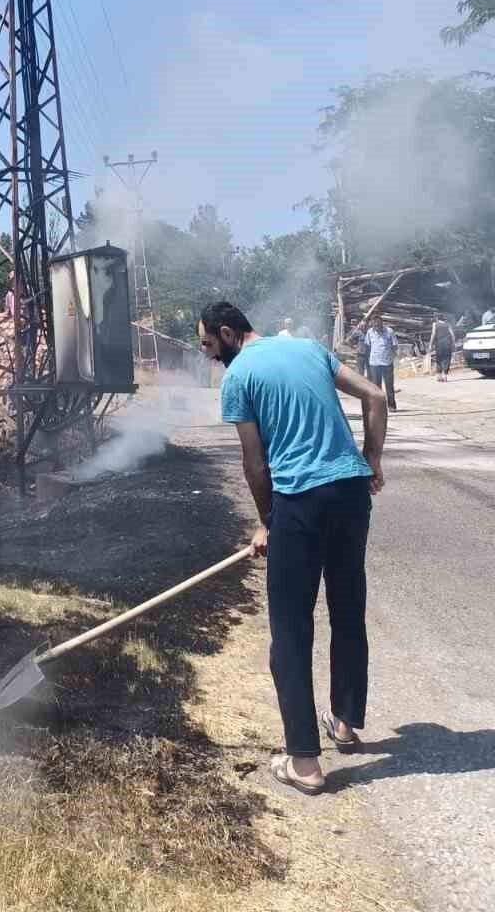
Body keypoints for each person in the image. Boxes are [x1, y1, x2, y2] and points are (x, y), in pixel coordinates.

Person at [197, 302, 387, 797]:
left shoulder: (238, 377)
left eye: (209, 346)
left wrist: (267, 522)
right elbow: (374, 395)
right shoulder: (309, 347)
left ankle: (304, 762)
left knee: (289, 626)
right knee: (348, 608)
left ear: (226, 334)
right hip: (350, 493)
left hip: (299, 501)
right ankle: (344, 723)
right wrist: (372, 460)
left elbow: (255, 464)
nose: (210, 357)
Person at [362, 313, 398, 412]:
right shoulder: (370, 332)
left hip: (387, 363)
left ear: (382, 323)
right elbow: (368, 346)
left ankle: (391, 405)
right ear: (372, 325)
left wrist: (392, 354)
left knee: (389, 386)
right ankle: (378, 407)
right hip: (374, 363)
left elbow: (395, 345)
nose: (376, 327)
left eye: (378, 325)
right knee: (376, 387)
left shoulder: (389, 331)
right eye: (374, 325)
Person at [429, 316, 454, 382]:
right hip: (448, 344)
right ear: (444, 319)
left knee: (439, 359)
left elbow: (433, 334)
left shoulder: (435, 324)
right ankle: (445, 376)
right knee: (447, 359)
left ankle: (439, 376)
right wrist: (453, 344)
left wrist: (430, 344)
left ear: (437, 319)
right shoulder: (448, 324)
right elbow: (452, 334)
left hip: (439, 344)